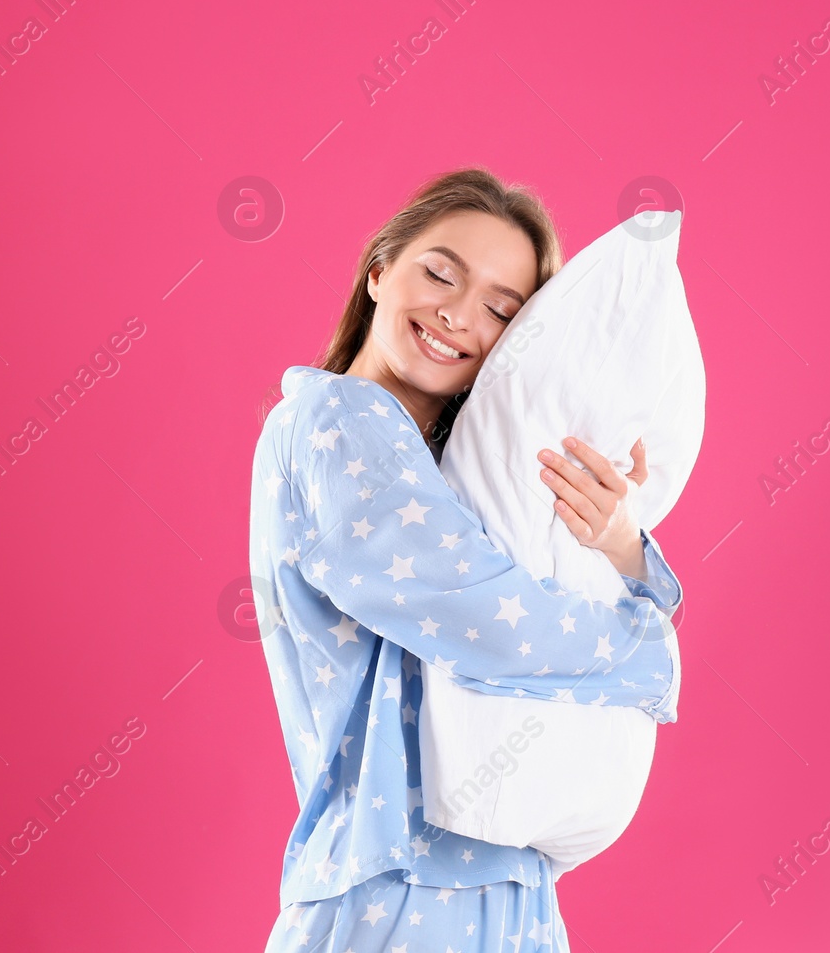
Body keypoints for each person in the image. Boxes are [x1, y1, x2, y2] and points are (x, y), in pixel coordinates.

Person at [250, 167, 684, 951]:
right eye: (440, 272)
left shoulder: (456, 478)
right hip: (396, 893)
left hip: (511, 891)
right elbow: (482, 619)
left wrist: (618, 540)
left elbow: (531, 593)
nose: (456, 313)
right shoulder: (336, 421)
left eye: (499, 310)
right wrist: (646, 649)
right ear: (378, 271)